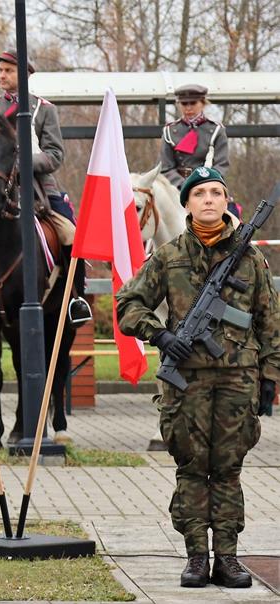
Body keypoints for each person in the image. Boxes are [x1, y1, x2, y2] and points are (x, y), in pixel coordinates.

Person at [115, 167, 279, 589]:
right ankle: (196, 558)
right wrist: (162, 335)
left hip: (237, 383)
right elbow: (128, 304)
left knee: (228, 470)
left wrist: (269, 378)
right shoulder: (168, 257)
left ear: (226, 202)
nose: (208, 199)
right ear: (186, 203)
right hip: (185, 384)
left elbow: (270, 322)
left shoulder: (250, 259)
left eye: (216, 193)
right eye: (200, 193)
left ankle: (227, 558)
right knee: (191, 469)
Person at [0, 49, 89, 324]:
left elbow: (55, 155)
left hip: (38, 190)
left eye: (8, 71)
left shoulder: (44, 110)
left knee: (72, 235)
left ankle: (76, 299)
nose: (2, 75)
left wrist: (21, 164)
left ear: (25, 76)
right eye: (0, 70)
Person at [159, 84, 236, 216]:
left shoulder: (216, 130)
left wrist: (203, 184)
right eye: (184, 104)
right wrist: (185, 185)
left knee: (231, 219)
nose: (188, 108)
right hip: (176, 188)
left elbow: (222, 164)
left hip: (208, 185)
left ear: (203, 103)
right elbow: (166, 167)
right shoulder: (169, 131)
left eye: (193, 103)